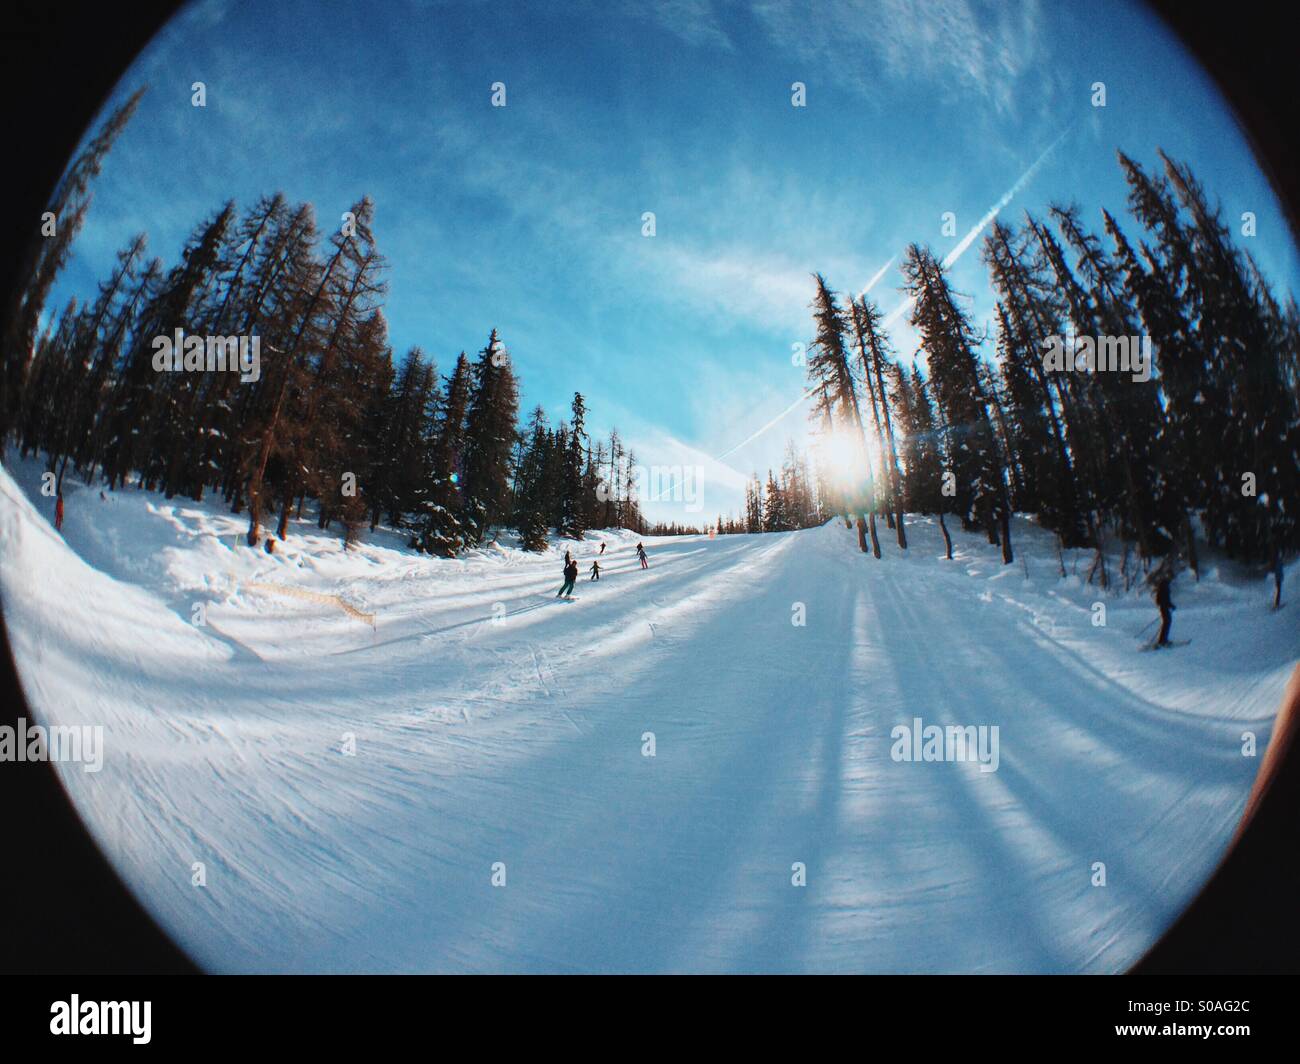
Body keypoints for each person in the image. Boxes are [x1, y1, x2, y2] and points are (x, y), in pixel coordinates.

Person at [1152, 568, 1175, 647]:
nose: (1171, 579)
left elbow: (1166, 598)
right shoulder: (1163, 584)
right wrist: (1165, 605)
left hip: (1164, 606)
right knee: (1167, 622)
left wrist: (1171, 605)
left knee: (1167, 622)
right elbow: (1161, 597)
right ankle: (1162, 640)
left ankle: (1163, 639)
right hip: (1163, 606)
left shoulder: (1165, 584)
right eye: (1170, 577)